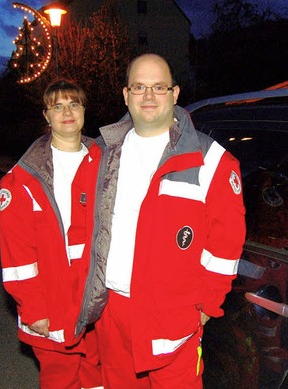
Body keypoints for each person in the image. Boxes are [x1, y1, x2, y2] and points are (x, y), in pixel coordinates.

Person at [92, 53, 246, 388]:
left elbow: (226, 245)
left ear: (175, 94)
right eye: (139, 87)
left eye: (158, 87)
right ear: (125, 95)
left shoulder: (211, 161)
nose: (148, 96)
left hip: (172, 319)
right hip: (111, 311)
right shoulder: (102, 153)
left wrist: (205, 306)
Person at [0, 79, 102, 389]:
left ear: (84, 110)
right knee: (60, 378)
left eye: (74, 104)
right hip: (53, 300)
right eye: (57, 106)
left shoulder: (107, 161)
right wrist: (33, 308)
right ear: (46, 116)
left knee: (98, 376)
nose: (67, 112)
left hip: (98, 298)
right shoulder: (22, 179)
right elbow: (17, 254)